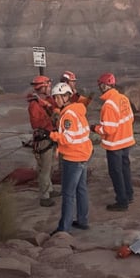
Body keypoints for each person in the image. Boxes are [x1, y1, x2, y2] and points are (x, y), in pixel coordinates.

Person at [49, 82, 93, 233]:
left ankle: (64, 228)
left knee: (68, 194)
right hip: (83, 155)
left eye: (58, 97)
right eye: (55, 97)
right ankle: (82, 220)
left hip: (73, 157)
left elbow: (67, 138)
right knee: (81, 189)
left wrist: (52, 136)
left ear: (66, 96)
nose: (56, 100)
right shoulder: (78, 110)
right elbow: (83, 132)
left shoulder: (67, 115)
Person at [92, 72, 135, 211]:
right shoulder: (123, 98)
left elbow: (109, 129)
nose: (100, 88)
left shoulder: (108, 105)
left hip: (115, 144)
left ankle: (122, 202)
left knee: (116, 173)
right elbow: (131, 118)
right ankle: (129, 195)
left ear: (104, 86)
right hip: (126, 141)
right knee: (125, 169)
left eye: (100, 85)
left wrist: (95, 128)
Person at [27, 75, 57, 207]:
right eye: (48, 86)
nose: (50, 88)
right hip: (43, 139)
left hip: (49, 137)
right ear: (42, 87)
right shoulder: (34, 105)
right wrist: (51, 118)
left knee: (48, 166)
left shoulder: (44, 101)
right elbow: (36, 124)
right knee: (44, 168)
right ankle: (44, 197)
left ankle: (49, 189)